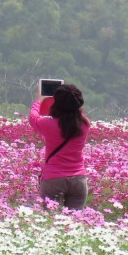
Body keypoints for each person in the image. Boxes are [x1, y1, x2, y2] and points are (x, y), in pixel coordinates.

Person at [29, 82, 90, 210]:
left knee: (51, 219)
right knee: (76, 220)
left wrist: (39, 100)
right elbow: (74, 110)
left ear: (56, 103)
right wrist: (69, 99)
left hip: (53, 179)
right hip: (78, 179)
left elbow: (33, 118)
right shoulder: (85, 124)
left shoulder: (48, 124)